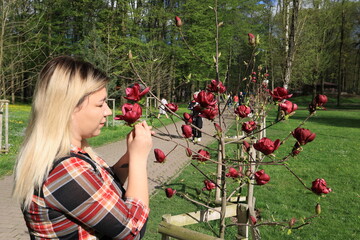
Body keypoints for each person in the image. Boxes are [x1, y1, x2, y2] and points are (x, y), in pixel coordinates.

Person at [13, 56, 153, 240]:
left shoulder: (65, 157)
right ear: (69, 108)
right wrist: (138, 158)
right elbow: (132, 230)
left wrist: (129, 155)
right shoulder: (64, 171)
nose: (108, 111)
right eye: (100, 104)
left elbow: (100, 189)